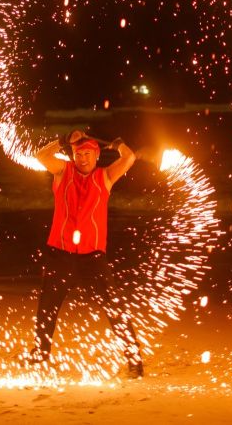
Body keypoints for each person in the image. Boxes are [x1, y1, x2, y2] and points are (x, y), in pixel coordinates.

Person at [25, 129, 144, 378]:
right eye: (78, 154)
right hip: (60, 253)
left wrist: (119, 144)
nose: (83, 159)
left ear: (96, 155)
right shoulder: (62, 171)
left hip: (93, 257)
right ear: (73, 155)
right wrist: (63, 140)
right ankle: (40, 352)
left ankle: (134, 360)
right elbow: (41, 156)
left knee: (114, 308)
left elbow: (129, 157)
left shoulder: (105, 176)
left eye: (88, 154)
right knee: (47, 306)